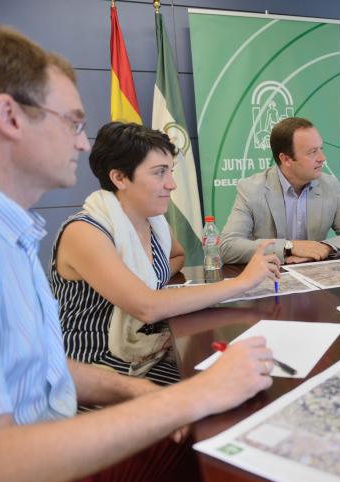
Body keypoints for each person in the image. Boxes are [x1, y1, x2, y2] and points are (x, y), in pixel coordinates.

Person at [0, 23, 276, 482]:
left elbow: (45, 367)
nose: (80, 142)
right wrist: (194, 394)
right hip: (39, 475)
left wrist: (145, 394)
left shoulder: (10, 232)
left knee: (241, 449)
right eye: (72, 122)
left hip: (64, 443)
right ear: (9, 115)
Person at [51, 122, 281, 386]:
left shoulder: (152, 221)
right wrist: (241, 283)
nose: (172, 184)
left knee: (246, 369)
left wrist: (145, 281)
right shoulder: (84, 231)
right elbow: (147, 307)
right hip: (97, 366)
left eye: (170, 171)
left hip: (148, 347)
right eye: (159, 173)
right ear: (119, 178)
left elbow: (177, 257)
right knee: (225, 385)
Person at [220, 117, 340, 264]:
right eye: (312, 152)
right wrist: (289, 247)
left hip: (316, 278)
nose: (322, 158)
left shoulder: (330, 185)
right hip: (269, 279)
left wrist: (325, 247)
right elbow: (227, 247)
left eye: (321, 149)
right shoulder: (252, 189)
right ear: (286, 159)